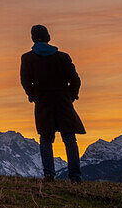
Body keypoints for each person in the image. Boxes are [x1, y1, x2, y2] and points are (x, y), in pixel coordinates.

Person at [20, 24, 85, 182]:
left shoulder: (27, 58)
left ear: (33, 38)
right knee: (69, 138)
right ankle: (75, 177)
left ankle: (49, 175)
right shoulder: (63, 57)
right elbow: (75, 80)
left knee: (46, 138)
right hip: (63, 100)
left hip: (43, 102)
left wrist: (33, 95)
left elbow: (25, 81)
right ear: (48, 37)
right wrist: (71, 96)